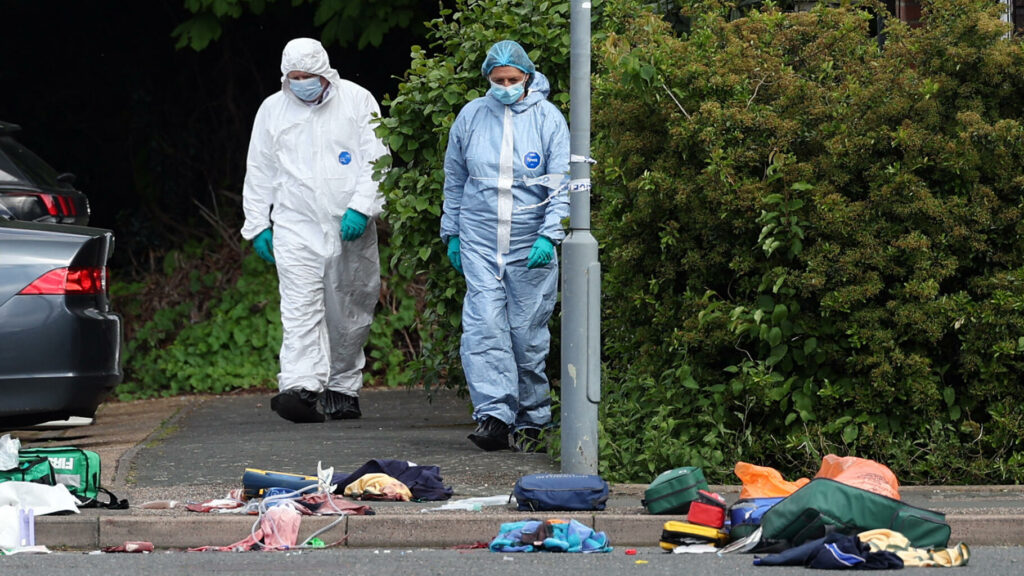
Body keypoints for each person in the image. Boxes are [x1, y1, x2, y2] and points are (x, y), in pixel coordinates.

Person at [241, 38, 388, 423]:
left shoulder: (357, 101)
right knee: (300, 307)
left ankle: (341, 387)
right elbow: (260, 169)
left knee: (349, 306)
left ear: (325, 73)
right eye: (295, 77)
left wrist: (361, 206)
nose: (302, 83)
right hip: (295, 224)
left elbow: (378, 157)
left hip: (349, 225)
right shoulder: (273, 110)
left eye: (308, 75)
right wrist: (258, 224)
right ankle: (301, 387)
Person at [440, 40, 570, 451]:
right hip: (479, 238)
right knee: (483, 329)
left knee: (526, 333)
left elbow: (561, 184)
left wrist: (550, 234)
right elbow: (455, 178)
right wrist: (453, 233)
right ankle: (494, 415)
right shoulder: (472, 117)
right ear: (488, 80)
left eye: (513, 79)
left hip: (529, 241)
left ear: (527, 78)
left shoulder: (548, 119)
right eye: (498, 80)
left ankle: (533, 418)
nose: (506, 86)